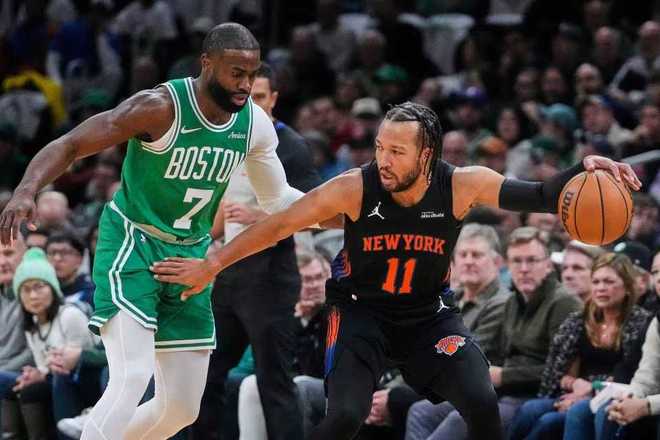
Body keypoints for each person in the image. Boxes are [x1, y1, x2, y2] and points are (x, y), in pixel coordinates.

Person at [151, 101, 641, 440]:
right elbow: (279, 224)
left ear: (426, 155)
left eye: (396, 151)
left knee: (480, 401)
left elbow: (541, 195)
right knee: (344, 416)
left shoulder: (462, 184)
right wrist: (211, 263)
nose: (382, 159)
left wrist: (585, 168)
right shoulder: (353, 187)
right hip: (360, 314)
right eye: (380, 147)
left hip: (429, 316)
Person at [0, 22, 305, 440]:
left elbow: (278, 199)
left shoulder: (253, 124)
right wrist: (26, 189)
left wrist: (339, 209)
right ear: (207, 64)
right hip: (134, 241)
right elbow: (72, 144)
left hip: (190, 256)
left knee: (180, 407)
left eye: (252, 75)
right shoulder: (159, 107)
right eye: (236, 73)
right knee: (132, 376)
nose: (245, 85)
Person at [194, 63, 321, 440]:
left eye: (260, 97)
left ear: (275, 99)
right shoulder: (230, 137)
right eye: (246, 96)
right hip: (229, 274)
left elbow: (317, 212)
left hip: (272, 278)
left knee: (273, 383)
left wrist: (260, 217)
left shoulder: (292, 146)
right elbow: (223, 211)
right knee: (205, 375)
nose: (252, 104)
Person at [509, 253, 652, 439]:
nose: (601, 288)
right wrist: (574, 384)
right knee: (529, 409)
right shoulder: (578, 320)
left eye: (608, 282)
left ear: (626, 287)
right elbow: (555, 372)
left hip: (610, 396)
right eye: (596, 282)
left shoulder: (640, 323)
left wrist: (591, 388)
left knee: (549, 422)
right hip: (570, 394)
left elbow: (631, 374)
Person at [2, 248, 95, 439]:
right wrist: (35, 374)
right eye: (26, 289)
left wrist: (45, 373)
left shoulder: (69, 315)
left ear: (53, 288)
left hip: (85, 379)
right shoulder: (32, 325)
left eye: (39, 287)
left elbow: (86, 358)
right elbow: (44, 366)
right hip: (57, 377)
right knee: (21, 388)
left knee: (51, 382)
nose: (33, 296)